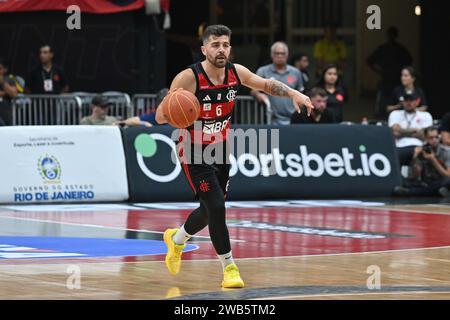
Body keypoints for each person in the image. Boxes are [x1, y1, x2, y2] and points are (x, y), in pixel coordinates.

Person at [155, 25, 313, 288]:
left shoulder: (235, 72)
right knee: (217, 206)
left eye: (225, 45)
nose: (221, 49)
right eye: (215, 44)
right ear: (204, 49)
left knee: (208, 211)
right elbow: (162, 115)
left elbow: (266, 85)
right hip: (193, 150)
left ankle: (176, 240)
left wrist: (294, 92)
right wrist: (174, 111)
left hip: (220, 148)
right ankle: (229, 266)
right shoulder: (188, 78)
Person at [250, 41, 304, 125]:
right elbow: (253, 90)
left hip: (293, 119)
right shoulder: (263, 71)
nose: (279, 56)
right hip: (270, 118)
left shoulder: (295, 72)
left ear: (287, 55)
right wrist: (258, 94)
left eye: (282, 53)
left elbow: (301, 93)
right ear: (272, 55)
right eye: (277, 53)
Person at [367, 27, 413, 119]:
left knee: (398, 104)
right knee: (382, 107)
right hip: (385, 82)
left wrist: (402, 73)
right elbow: (369, 60)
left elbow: (410, 61)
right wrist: (379, 71)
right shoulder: (383, 48)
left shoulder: (400, 49)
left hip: (397, 81)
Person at [394, 127, 450, 197]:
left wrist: (433, 160)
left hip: (440, 180)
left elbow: (447, 175)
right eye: (431, 138)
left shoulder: (446, 151)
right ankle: (437, 192)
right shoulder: (422, 150)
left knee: (448, 181)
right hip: (426, 182)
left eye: (436, 137)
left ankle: (409, 192)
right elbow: (415, 176)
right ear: (426, 138)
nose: (434, 140)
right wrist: (415, 157)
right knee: (404, 182)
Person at [388, 91, 433, 166]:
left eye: (411, 100)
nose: (408, 103)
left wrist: (402, 132)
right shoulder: (395, 113)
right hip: (399, 147)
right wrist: (415, 131)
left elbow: (425, 135)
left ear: (417, 102)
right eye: (406, 100)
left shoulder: (425, 115)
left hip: (419, 147)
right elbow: (395, 132)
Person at [0, 58, 19, 126]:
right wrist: (5, 93)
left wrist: (3, 83)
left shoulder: (10, 78)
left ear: (5, 69)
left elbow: (14, 94)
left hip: (5, 111)